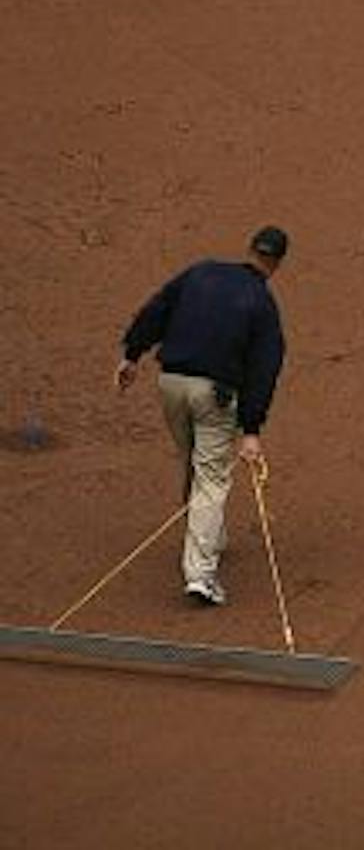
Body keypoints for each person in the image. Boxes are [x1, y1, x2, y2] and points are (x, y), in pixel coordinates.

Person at [113, 226, 290, 608]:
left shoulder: (202, 272)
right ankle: (201, 576)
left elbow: (156, 309)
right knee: (211, 478)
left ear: (249, 249)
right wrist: (252, 430)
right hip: (214, 396)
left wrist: (132, 354)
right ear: (276, 263)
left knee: (195, 465)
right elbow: (264, 368)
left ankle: (212, 535)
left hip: (170, 384)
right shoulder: (262, 302)